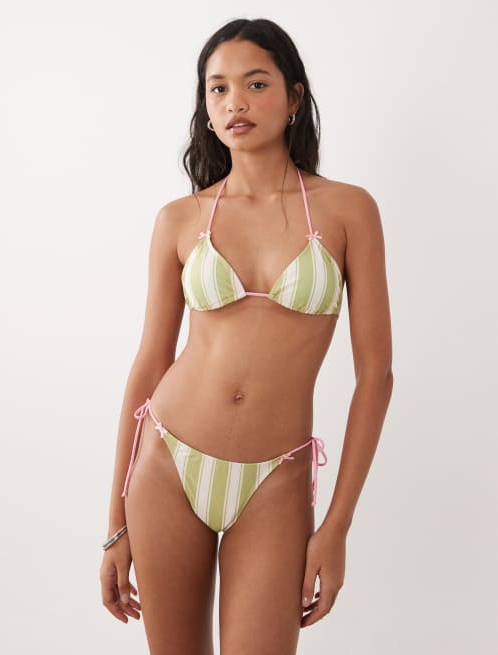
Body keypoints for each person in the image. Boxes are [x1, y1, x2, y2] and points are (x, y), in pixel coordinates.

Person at [99, 17, 393, 655]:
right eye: (219, 88)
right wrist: (115, 524)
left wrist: (337, 527)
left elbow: (376, 375)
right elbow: (149, 365)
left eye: (256, 84)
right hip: (167, 462)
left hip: (275, 480)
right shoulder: (180, 219)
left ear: (294, 97)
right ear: (206, 110)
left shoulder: (348, 210)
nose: (236, 101)